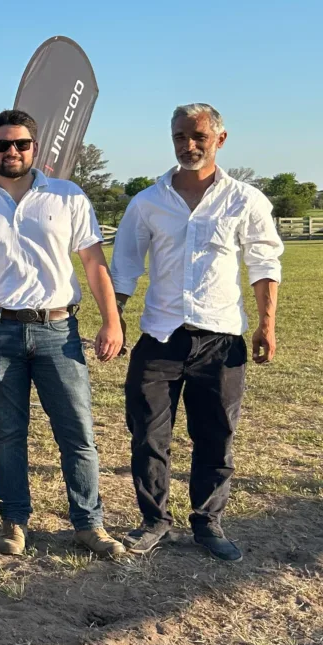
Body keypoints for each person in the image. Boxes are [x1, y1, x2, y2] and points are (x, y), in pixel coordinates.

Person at [0, 109, 126, 558]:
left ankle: (89, 525)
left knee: (77, 431)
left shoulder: (68, 197)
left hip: (58, 330)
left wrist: (112, 320)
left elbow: (93, 263)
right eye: (3, 145)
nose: (12, 152)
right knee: (7, 433)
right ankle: (14, 522)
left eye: (21, 144)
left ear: (35, 149)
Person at [111, 103, 283, 562]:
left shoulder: (245, 200)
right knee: (148, 434)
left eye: (198, 136)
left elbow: (265, 262)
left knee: (216, 434)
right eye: (179, 137)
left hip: (222, 339)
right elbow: (125, 265)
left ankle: (208, 522)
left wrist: (267, 323)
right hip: (160, 337)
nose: (188, 145)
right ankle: (154, 521)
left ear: (220, 139)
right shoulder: (148, 201)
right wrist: (116, 318)